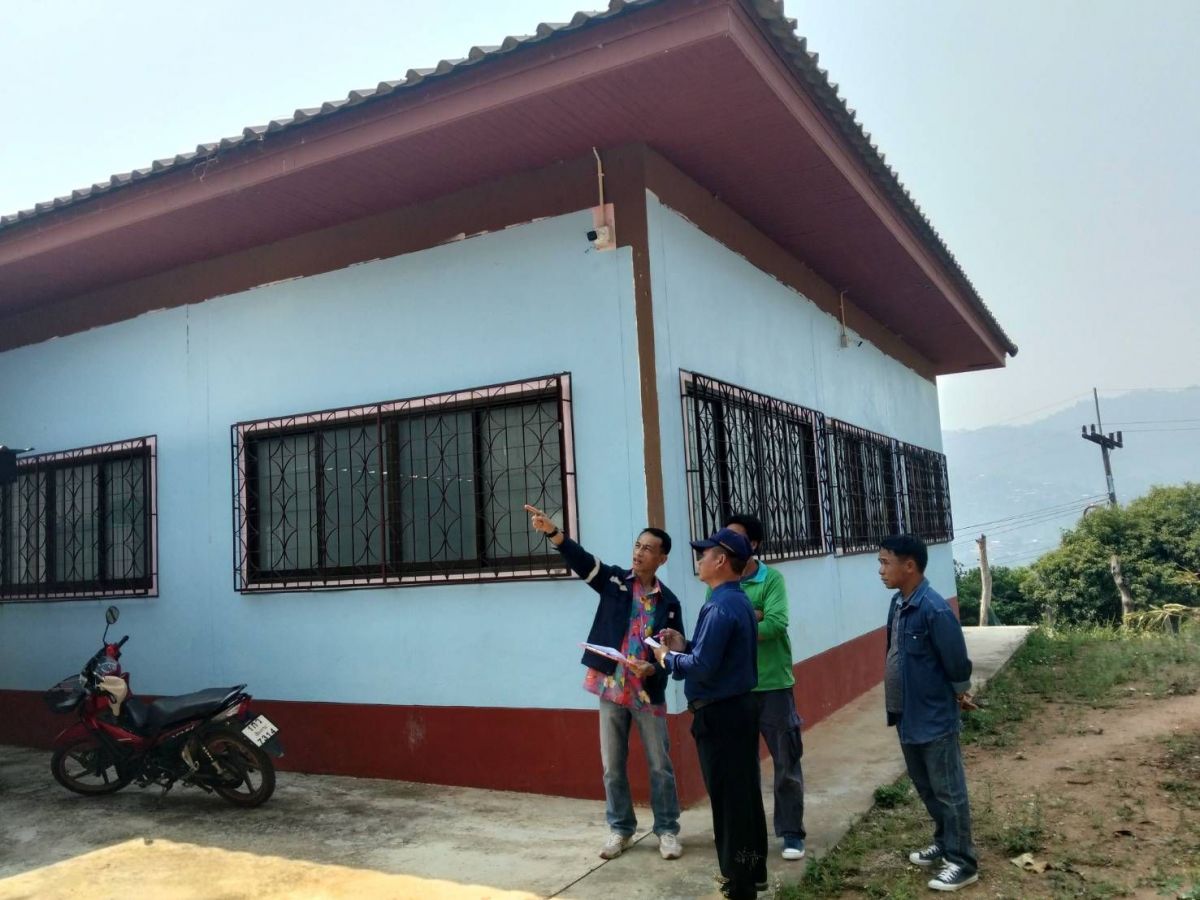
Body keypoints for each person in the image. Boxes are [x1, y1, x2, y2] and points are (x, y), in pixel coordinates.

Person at [524, 504, 685, 861]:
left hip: (648, 694)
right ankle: (620, 829)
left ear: (662, 559)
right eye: (637, 545)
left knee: (660, 765)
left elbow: (676, 651)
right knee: (612, 766)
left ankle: (667, 830)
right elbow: (583, 562)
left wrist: (653, 668)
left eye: (647, 549)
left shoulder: (669, 602)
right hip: (611, 688)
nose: (638, 553)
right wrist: (554, 533)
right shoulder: (614, 582)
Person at [653, 527, 768, 900]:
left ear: (721, 561)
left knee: (729, 802)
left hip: (721, 716)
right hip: (737, 710)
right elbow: (714, 655)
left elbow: (703, 667)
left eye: (704, 554)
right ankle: (753, 872)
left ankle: (739, 885)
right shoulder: (736, 601)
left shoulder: (719, 606)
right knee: (743, 795)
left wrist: (667, 657)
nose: (699, 560)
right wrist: (683, 645)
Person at [879, 533, 979, 893]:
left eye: (885, 562)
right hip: (906, 713)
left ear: (910, 566)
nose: (880, 570)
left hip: (933, 715)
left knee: (948, 790)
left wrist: (959, 693)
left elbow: (956, 660)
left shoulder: (934, 609)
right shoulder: (898, 603)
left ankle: (962, 862)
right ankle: (944, 842)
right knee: (926, 786)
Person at [722, 513, 806, 861]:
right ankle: (749, 834)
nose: (725, 544)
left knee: (786, 763)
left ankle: (791, 832)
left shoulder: (771, 579)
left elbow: (775, 624)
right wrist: (752, 615)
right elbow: (716, 627)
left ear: (753, 544)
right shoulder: (720, 581)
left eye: (735, 537)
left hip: (773, 685)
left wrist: (739, 621)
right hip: (735, 688)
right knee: (741, 768)